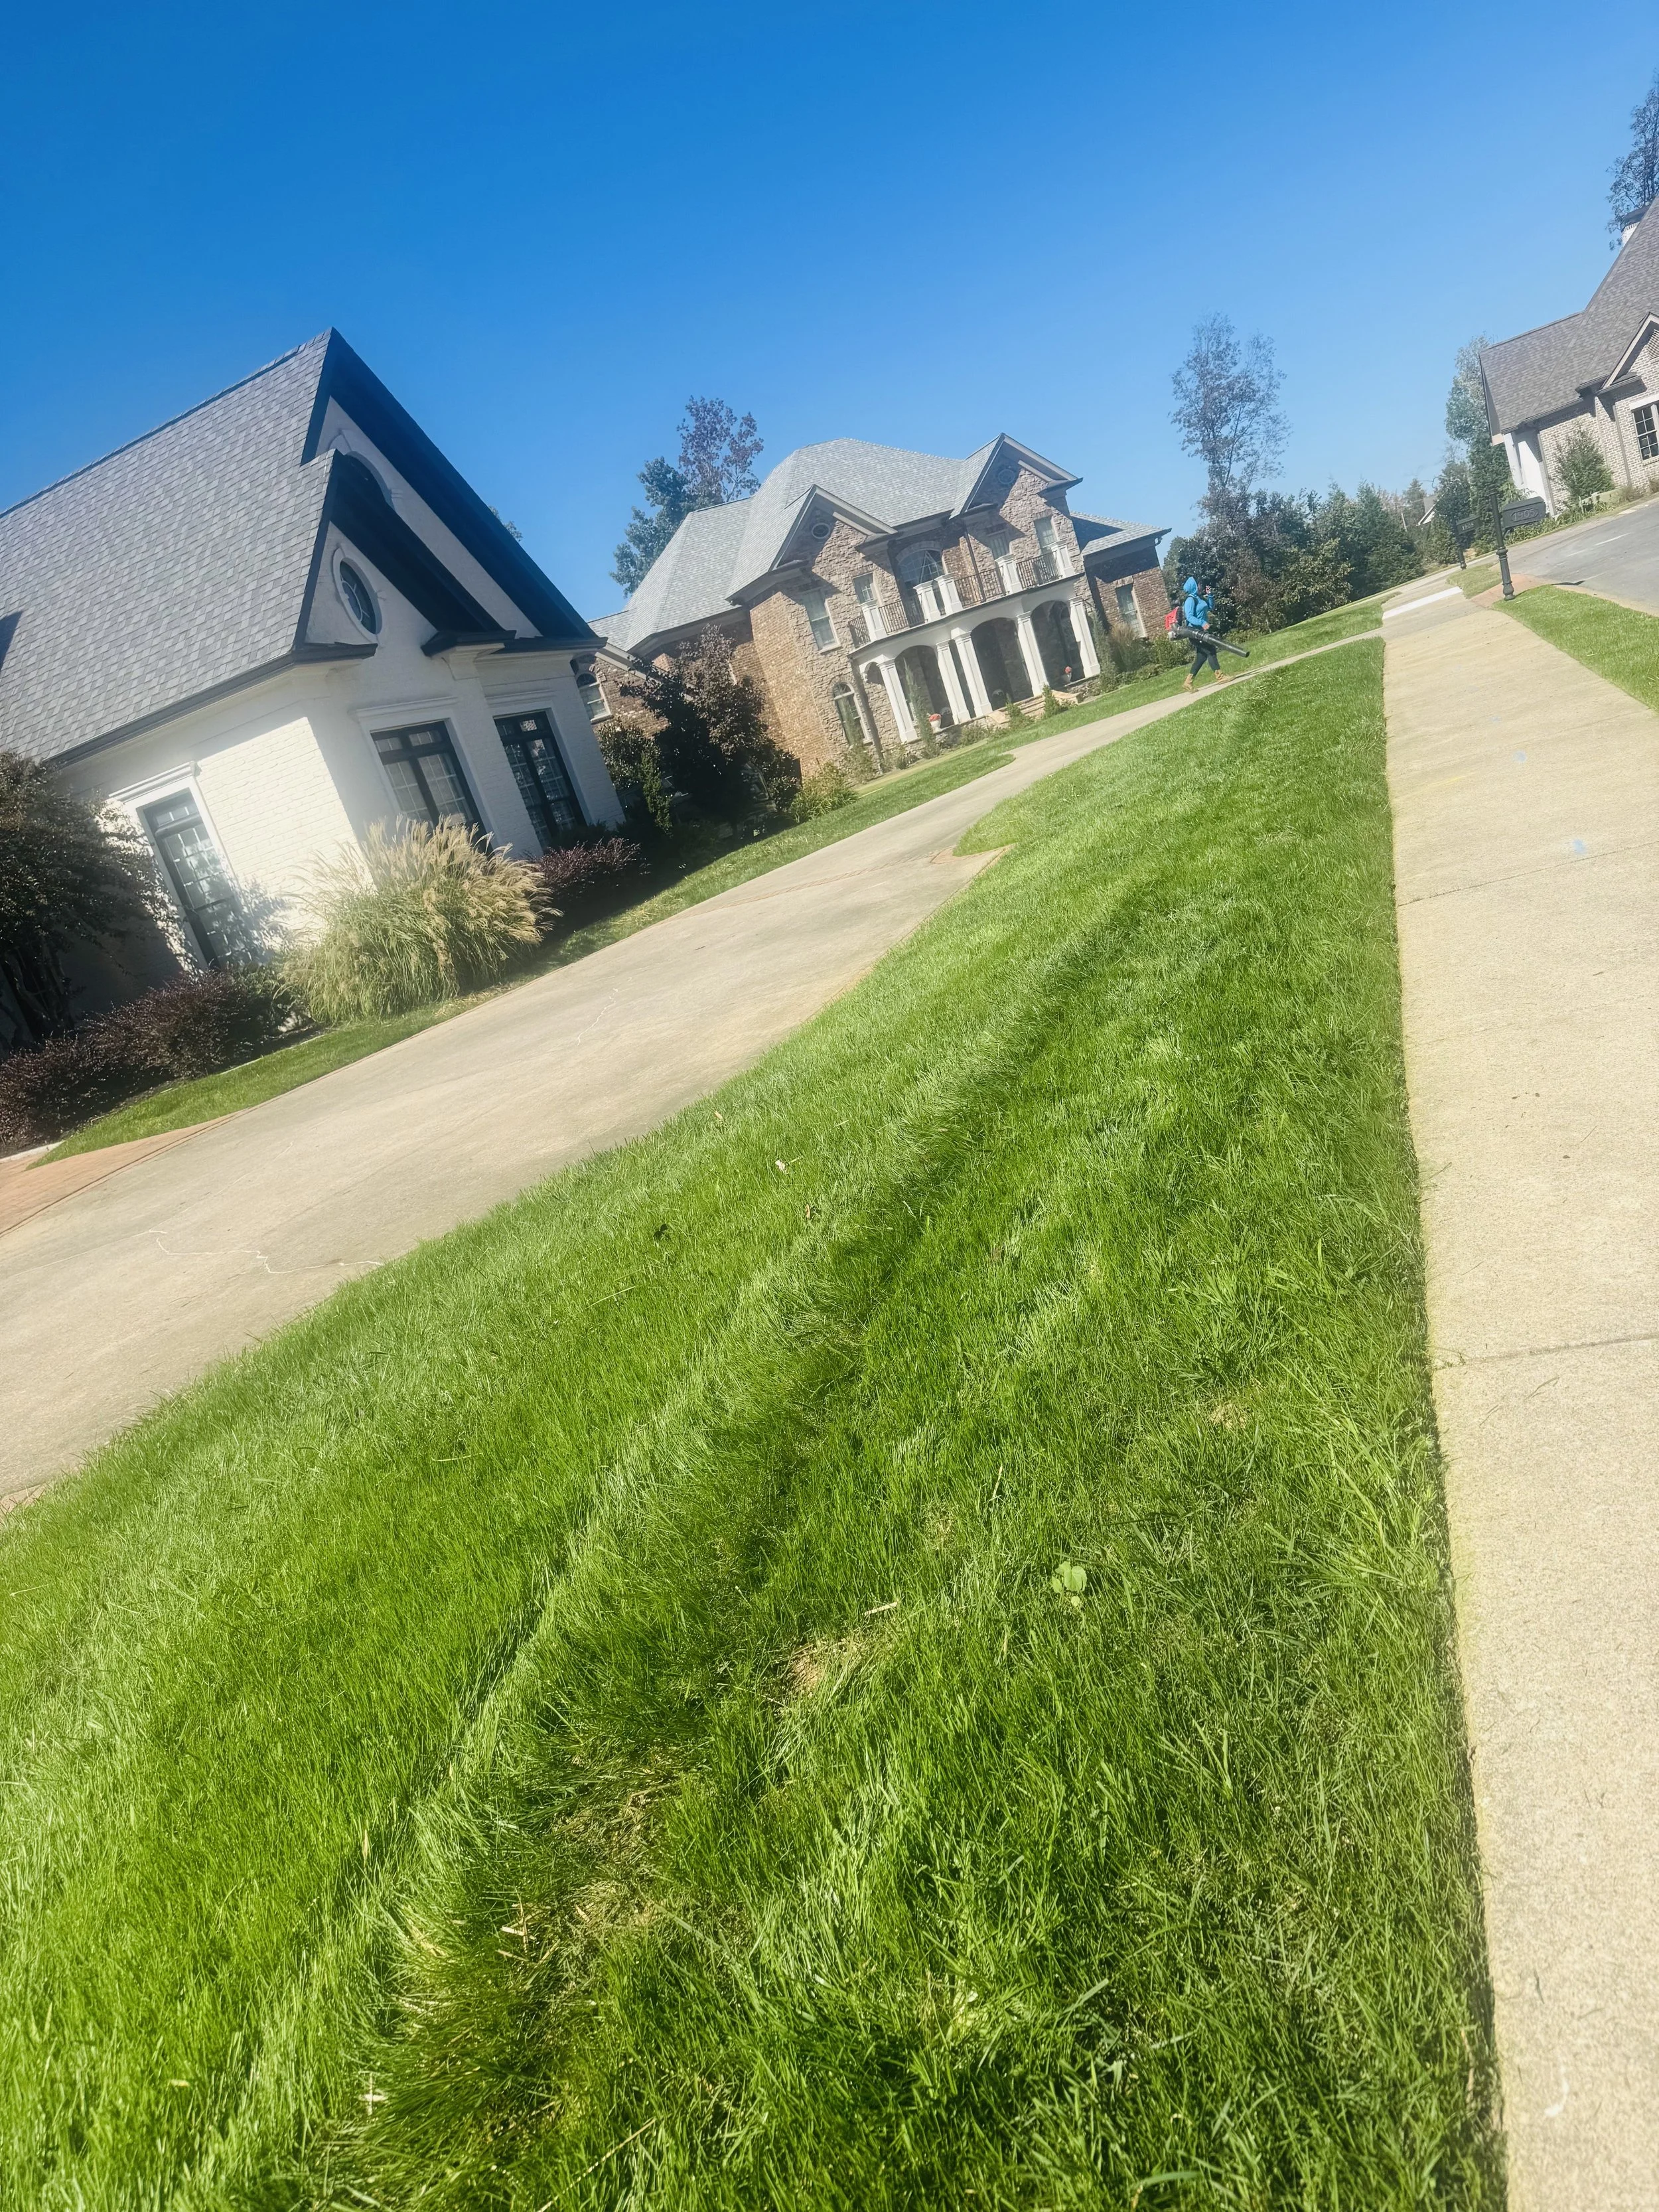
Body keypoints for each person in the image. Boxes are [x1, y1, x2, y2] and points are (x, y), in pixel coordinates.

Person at [1179, 575, 1231, 691]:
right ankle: (1220, 677)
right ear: (1194, 586)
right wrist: (1202, 622)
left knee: (1201, 657)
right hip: (1194, 632)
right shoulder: (1190, 600)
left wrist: (1210, 595)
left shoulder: (1199, 598)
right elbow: (1190, 617)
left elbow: (1210, 607)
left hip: (1201, 631)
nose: (1201, 586)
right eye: (1199, 585)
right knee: (1211, 650)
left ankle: (1188, 682)